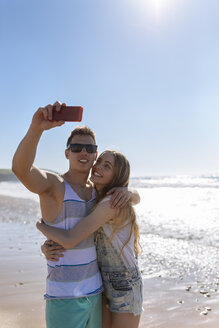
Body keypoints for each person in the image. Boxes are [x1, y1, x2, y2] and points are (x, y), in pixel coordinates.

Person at [12, 101, 140, 328]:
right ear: (66, 153)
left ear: (95, 156)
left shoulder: (98, 193)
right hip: (64, 297)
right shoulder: (55, 185)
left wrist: (128, 191)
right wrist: (36, 129)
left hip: (98, 294)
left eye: (90, 149)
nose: (84, 152)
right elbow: (21, 170)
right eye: (77, 147)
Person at [37, 150, 143, 328]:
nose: (98, 166)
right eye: (99, 161)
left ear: (117, 176)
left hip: (124, 283)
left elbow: (71, 238)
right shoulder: (95, 197)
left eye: (107, 166)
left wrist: (41, 226)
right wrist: (46, 247)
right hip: (99, 281)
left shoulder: (111, 203)